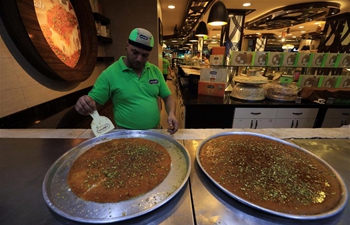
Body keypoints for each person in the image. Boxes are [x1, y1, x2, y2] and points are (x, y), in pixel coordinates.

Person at [75, 28, 178, 134]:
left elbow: (168, 97)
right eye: (135, 52)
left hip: (154, 131)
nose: (139, 59)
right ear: (127, 45)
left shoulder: (155, 71)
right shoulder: (110, 73)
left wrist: (171, 114)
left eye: (144, 55)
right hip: (125, 134)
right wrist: (85, 103)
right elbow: (93, 100)